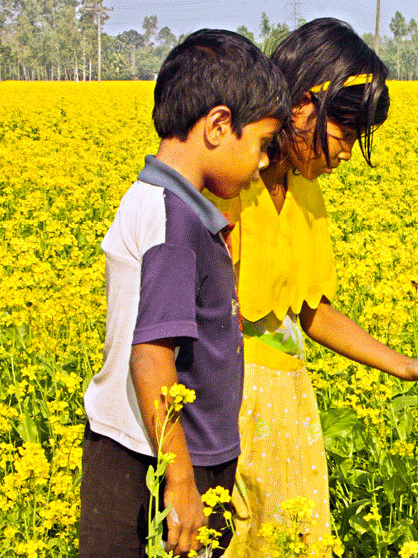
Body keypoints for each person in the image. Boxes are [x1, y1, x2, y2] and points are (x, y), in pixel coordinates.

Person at [207, 18, 418, 558]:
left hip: (288, 403)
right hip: (224, 406)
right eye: (344, 136)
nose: (345, 154)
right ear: (301, 109)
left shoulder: (304, 192)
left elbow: (309, 311)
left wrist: (406, 365)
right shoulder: (230, 186)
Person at [80, 29, 290, 558]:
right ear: (219, 126)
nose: (264, 162)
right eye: (262, 143)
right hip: (157, 461)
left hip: (171, 454)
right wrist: (180, 481)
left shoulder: (165, 204)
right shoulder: (172, 220)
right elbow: (152, 354)